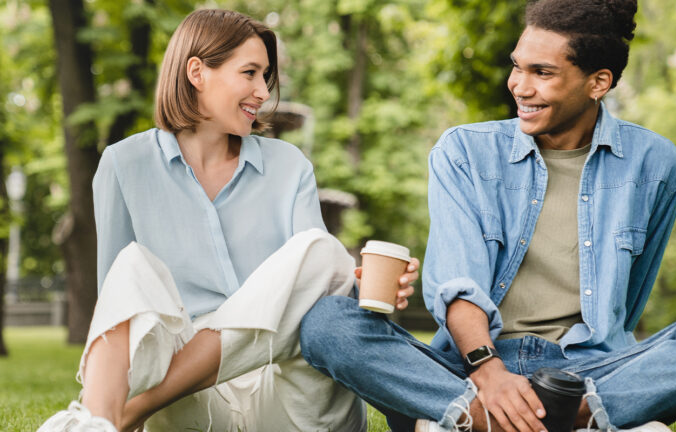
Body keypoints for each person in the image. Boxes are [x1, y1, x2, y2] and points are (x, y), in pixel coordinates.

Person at [299, 1, 676, 431]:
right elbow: (456, 282)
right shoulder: (464, 151)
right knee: (328, 323)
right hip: (469, 364)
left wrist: (590, 383)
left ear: (598, 82)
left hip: (589, 372)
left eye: (542, 72)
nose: (520, 87)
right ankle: (511, 413)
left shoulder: (654, 162)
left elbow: (631, 294)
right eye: (517, 67)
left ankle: (492, 419)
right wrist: (489, 372)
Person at [37, 9, 419, 432]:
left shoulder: (289, 165)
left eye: (266, 76)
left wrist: (366, 288)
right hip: (191, 408)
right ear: (197, 72)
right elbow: (118, 308)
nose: (262, 91)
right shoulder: (124, 164)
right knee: (129, 267)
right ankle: (96, 422)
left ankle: (126, 415)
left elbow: (318, 291)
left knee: (322, 250)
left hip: (284, 395)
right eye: (250, 73)